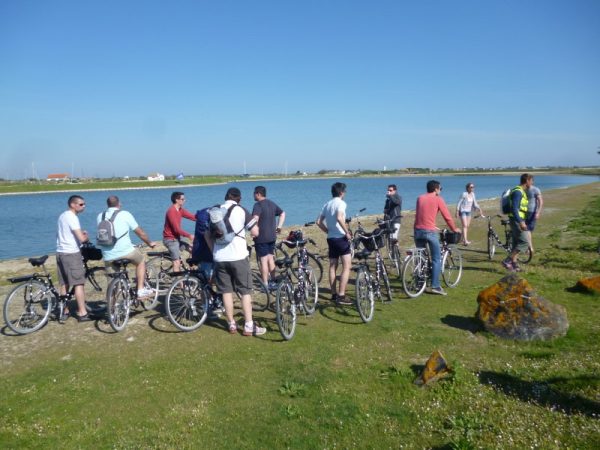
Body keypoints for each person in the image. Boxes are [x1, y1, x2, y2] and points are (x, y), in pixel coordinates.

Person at [205, 187, 265, 336]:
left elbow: (207, 234)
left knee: (226, 292)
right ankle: (249, 325)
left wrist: (214, 251)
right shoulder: (241, 210)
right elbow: (255, 231)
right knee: (245, 291)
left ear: (225, 197)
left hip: (220, 257)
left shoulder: (215, 211)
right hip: (238, 256)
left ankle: (231, 324)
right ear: (239, 198)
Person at [97, 195, 158, 299]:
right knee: (141, 261)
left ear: (107, 205)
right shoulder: (125, 214)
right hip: (126, 252)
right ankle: (140, 290)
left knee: (112, 282)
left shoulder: (100, 216)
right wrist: (149, 243)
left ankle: (112, 308)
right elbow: (140, 233)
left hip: (108, 254)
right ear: (119, 204)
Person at [414, 180, 460, 296]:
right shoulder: (438, 199)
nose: (440, 190)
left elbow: (421, 214)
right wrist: (454, 229)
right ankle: (435, 286)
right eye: (440, 188)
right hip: (429, 231)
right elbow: (447, 217)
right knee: (436, 258)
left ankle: (419, 283)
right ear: (436, 189)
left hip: (417, 230)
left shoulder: (420, 198)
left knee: (421, 257)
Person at [56, 195, 91, 321]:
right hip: (71, 253)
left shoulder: (62, 216)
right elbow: (81, 238)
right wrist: (86, 236)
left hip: (60, 252)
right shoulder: (72, 217)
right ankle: (82, 312)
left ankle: (65, 311)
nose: (84, 206)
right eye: (81, 204)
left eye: (84, 204)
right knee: (78, 283)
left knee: (64, 283)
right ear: (73, 204)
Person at [316, 182, 352, 305]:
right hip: (341, 238)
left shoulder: (327, 204)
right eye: (345, 191)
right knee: (347, 266)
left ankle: (333, 294)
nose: (345, 193)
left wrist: (328, 231)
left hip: (331, 238)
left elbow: (318, 222)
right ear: (341, 192)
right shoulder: (341, 203)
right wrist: (347, 232)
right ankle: (341, 295)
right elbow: (339, 217)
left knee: (333, 266)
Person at [252, 186, 286, 288]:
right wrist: (279, 227)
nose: (253, 195)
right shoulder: (271, 203)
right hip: (272, 236)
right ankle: (273, 280)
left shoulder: (257, 205)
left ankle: (265, 284)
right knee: (270, 258)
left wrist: (254, 231)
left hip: (261, 237)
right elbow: (283, 213)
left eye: (254, 193)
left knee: (263, 260)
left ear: (258, 194)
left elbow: (255, 218)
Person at [502, 173, 534, 272]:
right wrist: (520, 222)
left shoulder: (521, 191)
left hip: (518, 220)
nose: (532, 183)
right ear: (527, 181)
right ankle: (507, 261)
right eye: (532, 181)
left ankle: (515, 265)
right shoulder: (518, 192)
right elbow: (514, 209)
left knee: (516, 243)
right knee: (524, 242)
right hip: (516, 220)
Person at [163, 191, 196, 273]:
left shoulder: (180, 210)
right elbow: (176, 229)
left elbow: (192, 217)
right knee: (176, 262)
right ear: (176, 200)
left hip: (176, 239)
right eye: (183, 199)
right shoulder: (171, 211)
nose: (185, 200)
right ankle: (178, 284)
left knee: (192, 249)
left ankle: (192, 269)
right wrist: (189, 235)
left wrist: (204, 218)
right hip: (170, 240)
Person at [526, 180, 543, 253]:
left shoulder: (535, 189)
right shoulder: (522, 189)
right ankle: (529, 248)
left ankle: (529, 248)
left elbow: (540, 201)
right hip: (523, 212)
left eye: (532, 180)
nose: (532, 182)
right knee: (526, 230)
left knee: (529, 230)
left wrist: (538, 212)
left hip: (532, 212)